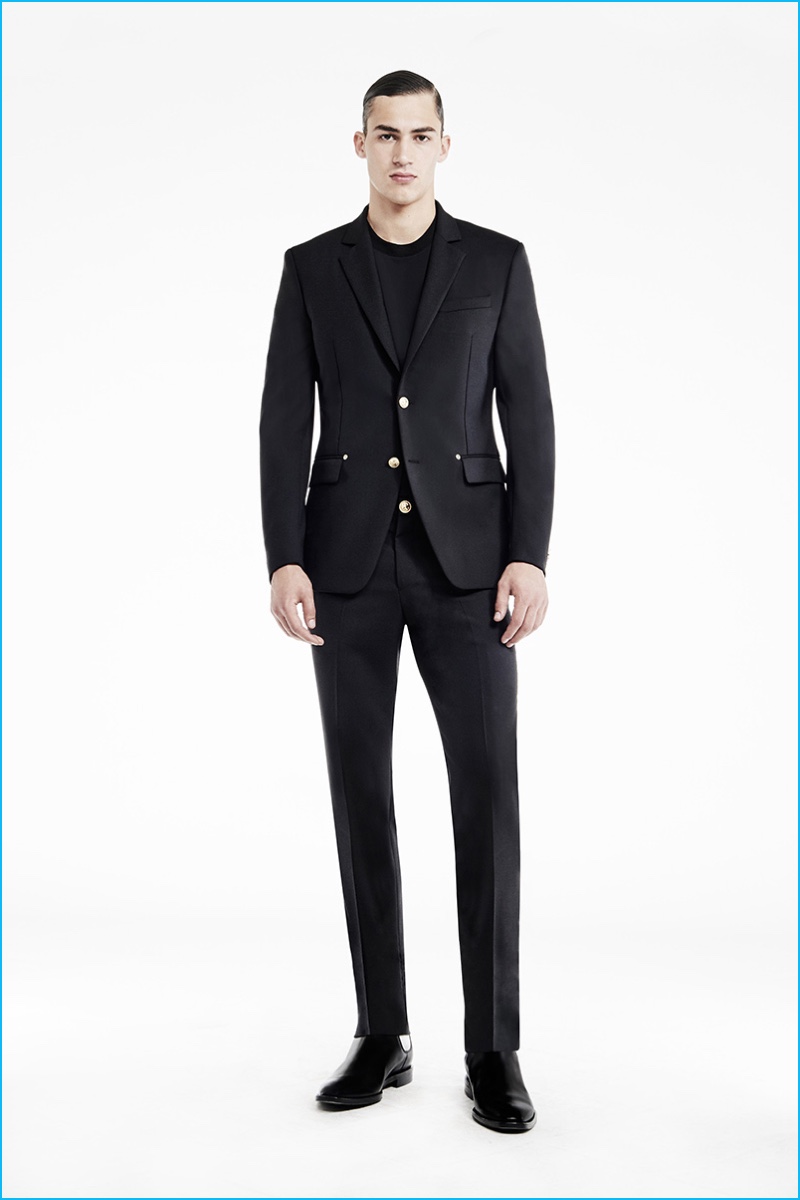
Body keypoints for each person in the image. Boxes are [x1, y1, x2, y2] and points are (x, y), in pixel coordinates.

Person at [259, 69, 555, 1134]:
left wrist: (527, 554)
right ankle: (382, 1033)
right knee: (361, 798)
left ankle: (491, 1049)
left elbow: (529, 409)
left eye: (419, 136)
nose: (401, 153)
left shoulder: (496, 262)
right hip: (343, 565)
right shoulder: (311, 267)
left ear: (443, 146)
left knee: (487, 799)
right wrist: (282, 556)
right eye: (384, 135)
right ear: (359, 145)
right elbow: (281, 415)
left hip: (468, 570)